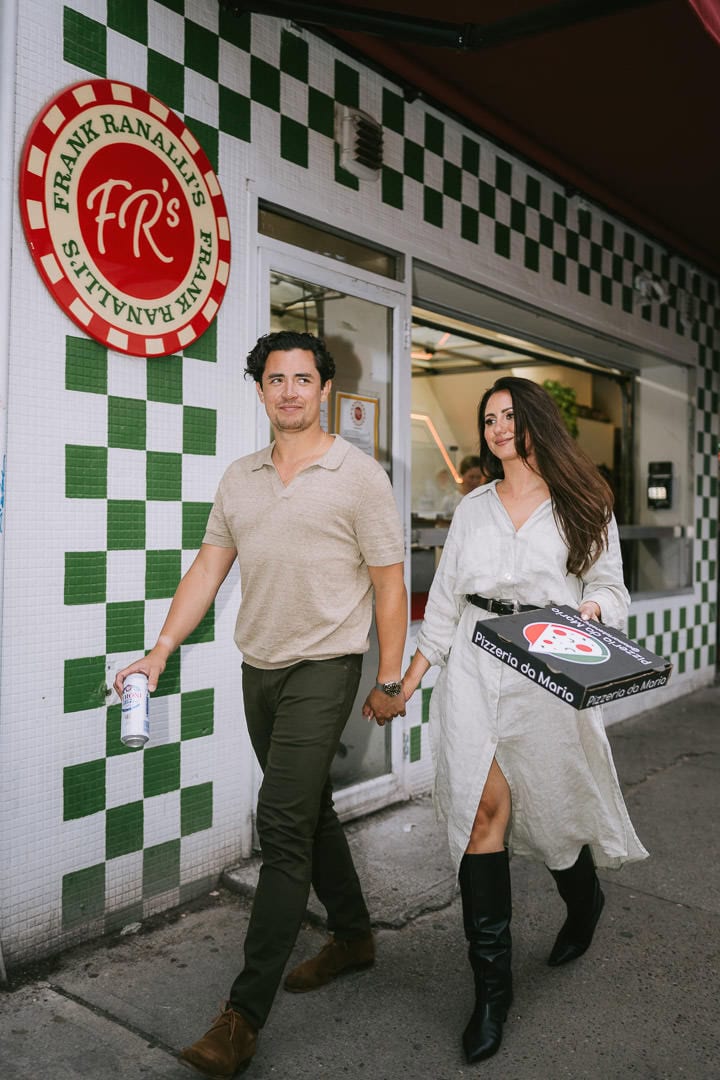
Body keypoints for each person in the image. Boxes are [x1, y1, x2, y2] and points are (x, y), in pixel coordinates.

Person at [114, 330, 407, 1078]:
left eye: (302, 379)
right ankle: (352, 935)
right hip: (260, 668)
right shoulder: (239, 478)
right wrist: (159, 650)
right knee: (309, 813)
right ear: (260, 390)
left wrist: (391, 677)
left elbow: (388, 584)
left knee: (279, 826)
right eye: (274, 379)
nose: (288, 391)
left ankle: (241, 1018)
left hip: (327, 665)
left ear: (324, 389)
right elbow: (208, 568)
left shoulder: (360, 475)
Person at [400, 376, 647, 1066]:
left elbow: (610, 588)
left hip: (546, 662)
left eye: (510, 415)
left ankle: (584, 894)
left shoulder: (583, 502)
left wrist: (593, 612)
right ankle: (491, 993)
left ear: (535, 420)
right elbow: (447, 598)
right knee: (485, 810)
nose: (498, 427)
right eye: (489, 418)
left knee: (553, 809)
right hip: (477, 664)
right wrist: (415, 675)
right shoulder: (473, 506)